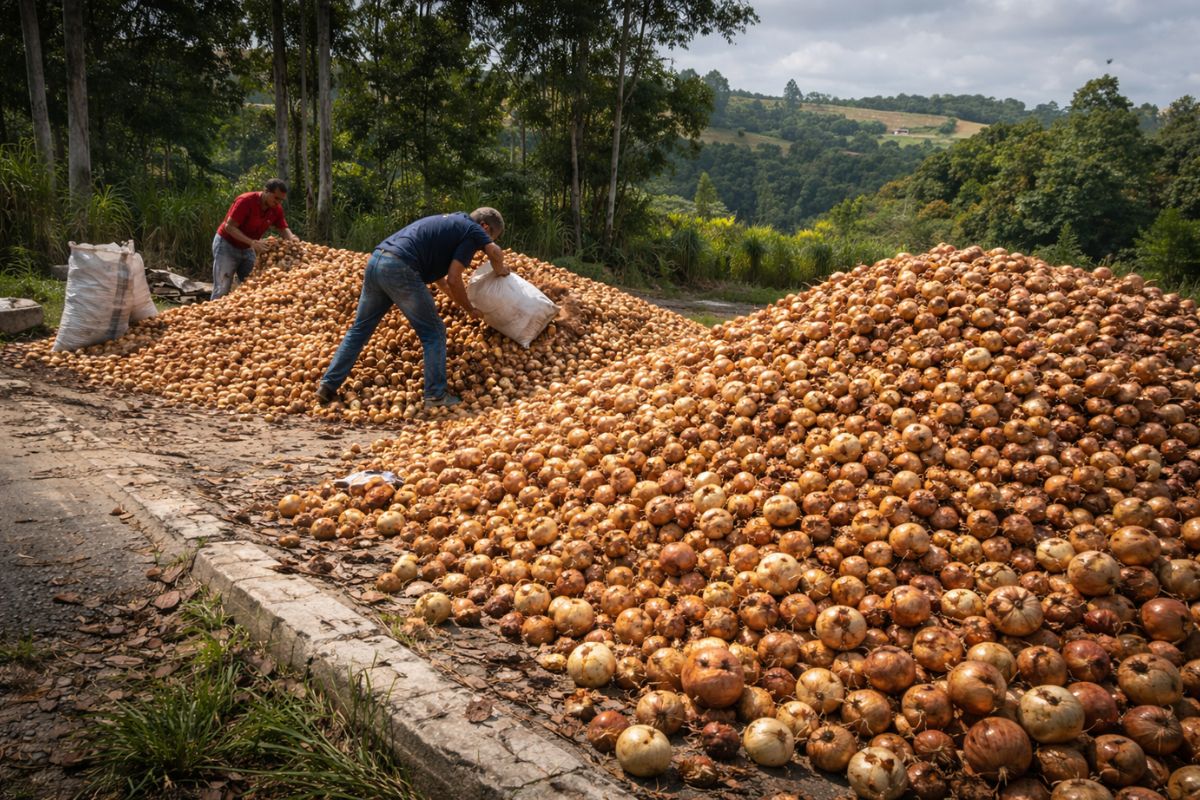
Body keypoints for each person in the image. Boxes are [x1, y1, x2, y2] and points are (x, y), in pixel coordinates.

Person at [316, 208, 509, 409]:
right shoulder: (473, 230)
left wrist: (465, 307)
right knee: (434, 332)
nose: (481, 248)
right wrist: (499, 270)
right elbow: (481, 261)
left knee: (359, 329)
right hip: (400, 267)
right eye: (492, 237)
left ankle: (328, 386)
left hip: (377, 260)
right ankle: (435, 396)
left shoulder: (453, 224)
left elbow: (442, 282)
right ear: (485, 227)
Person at [210, 178, 298, 300]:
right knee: (222, 288)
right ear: (266, 191)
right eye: (276, 198)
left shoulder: (276, 209)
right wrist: (252, 242)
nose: (278, 202)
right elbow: (229, 227)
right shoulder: (246, 201)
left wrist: (292, 238)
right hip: (227, 244)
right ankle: (214, 316)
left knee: (254, 284)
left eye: (281, 200)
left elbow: (283, 228)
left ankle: (245, 315)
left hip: (248, 247)